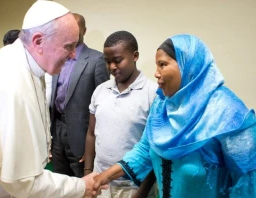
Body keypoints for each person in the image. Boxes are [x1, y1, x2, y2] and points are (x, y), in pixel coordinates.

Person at [0, 1, 106, 197]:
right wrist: (82, 186)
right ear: (38, 41)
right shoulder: (9, 83)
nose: (73, 54)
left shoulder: (26, 63)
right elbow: (23, 183)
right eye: (69, 46)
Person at [93, 34, 256, 198]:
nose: (156, 73)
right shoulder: (162, 105)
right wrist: (103, 177)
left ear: (188, 65)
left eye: (162, 65)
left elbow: (246, 179)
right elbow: (144, 150)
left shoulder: (227, 112)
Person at [84, 31, 158, 198]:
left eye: (117, 61)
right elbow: (91, 133)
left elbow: (155, 150)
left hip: (134, 187)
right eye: (108, 62)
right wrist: (88, 172)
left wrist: (141, 192)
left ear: (135, 56)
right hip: (100, 183)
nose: (111, 67)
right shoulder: (101, 90)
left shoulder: (153, 94)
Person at [50, 13, 109, 177]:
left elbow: (103, 105)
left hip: (82, 134)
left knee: (81, 184)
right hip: (57, 130)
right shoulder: (57, 58)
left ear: (84, 30)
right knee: (59, 181)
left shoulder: (97, 59)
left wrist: (93, 144)